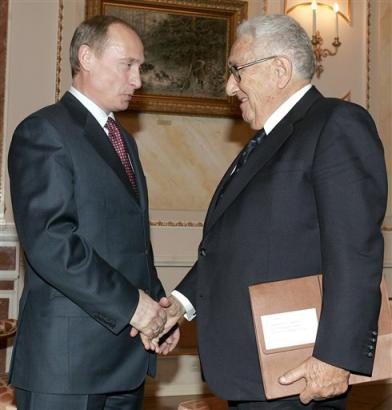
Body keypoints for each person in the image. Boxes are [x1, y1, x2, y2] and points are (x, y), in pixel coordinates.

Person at [154, 15, 388, 409]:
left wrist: (336, 358)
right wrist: (181, 303)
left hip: (301, 372)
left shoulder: (335, 124)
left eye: (238, 71)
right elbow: (233, 243)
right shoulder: (265, 141)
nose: (231, 87)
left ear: (280, 69)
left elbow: (355, 252)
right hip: (255, 374)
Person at [8, 15, 178, 410]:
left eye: (141, 67)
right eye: (128, 65)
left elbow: (133, 244)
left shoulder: (124, 140)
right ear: (86, 57)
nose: (138, 80)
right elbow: (53, 243)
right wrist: (135, 307)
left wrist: (158, 311)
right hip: (66, 367)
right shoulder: (43, 131)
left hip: (127, 359)